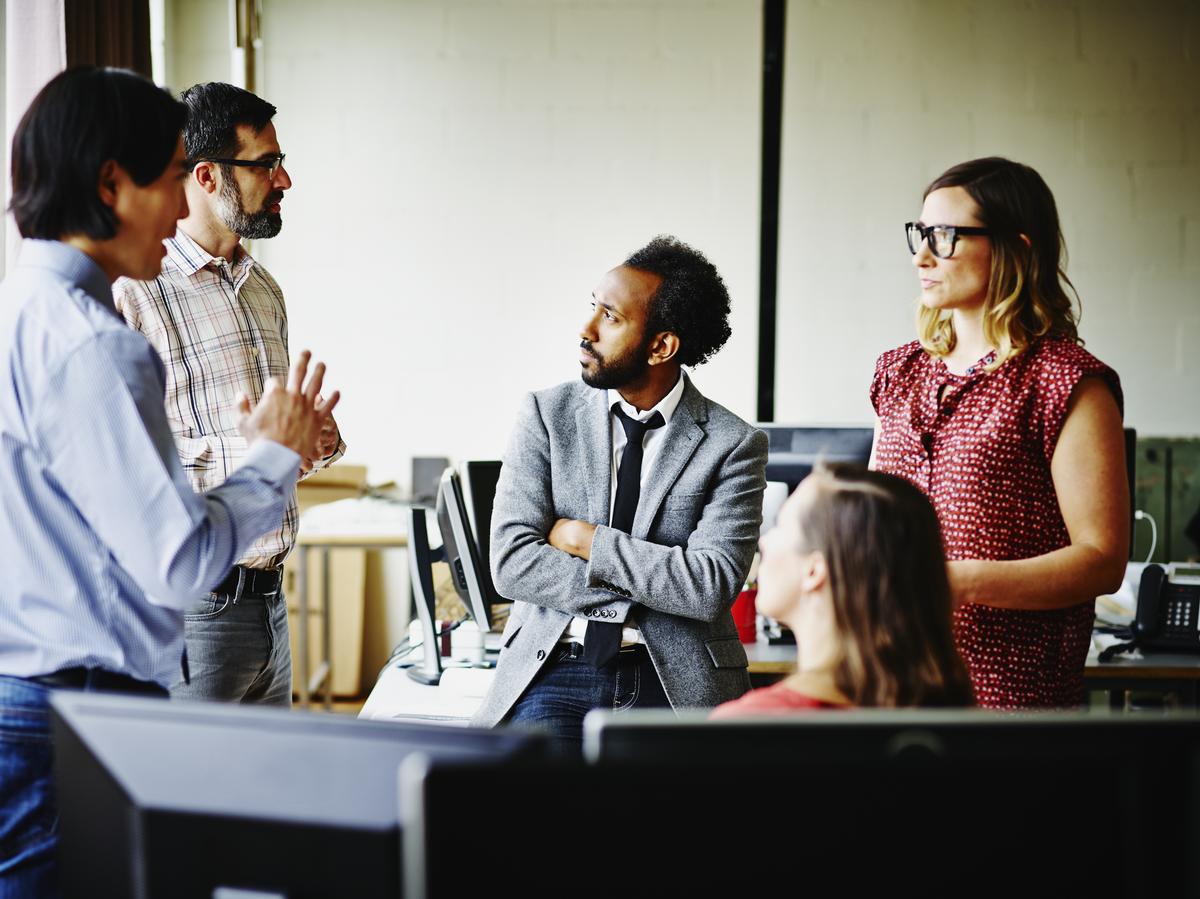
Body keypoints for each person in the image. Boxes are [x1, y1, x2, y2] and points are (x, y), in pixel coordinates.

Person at [0, 67, 338, 893]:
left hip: (52, 691)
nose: (179, 202)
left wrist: (294, 443)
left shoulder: (21, 307)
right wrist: (268, 457)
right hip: (80, 701)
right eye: (168, 179)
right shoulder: (96, 338)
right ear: (113, 183)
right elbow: (176, 559)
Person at [471, 236, 768, 748]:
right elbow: (512, 562)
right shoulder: (546, 415)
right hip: (555, 668)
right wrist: (661, 583)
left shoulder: (734, 444)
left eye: (610, 317)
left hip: (674, 679)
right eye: (594, 307)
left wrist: (585, 540)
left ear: (661, 346)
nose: (586, 331)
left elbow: (709, 586)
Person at [113, 82, 344, 705]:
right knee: (186, 800)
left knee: (263, 800)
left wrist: (310, 442)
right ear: (209, 175)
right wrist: (265, 451)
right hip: (192, 607)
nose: (285, 179)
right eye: (267, 163)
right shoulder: (135, 291)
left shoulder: (264, 289)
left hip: (270, 601)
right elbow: (130, 466)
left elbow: (278, 449)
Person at [870, 157, 1128, 709]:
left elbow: (1103, 558)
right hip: (887, 685)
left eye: (945, 236)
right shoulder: (898, 372)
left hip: (1009, 702)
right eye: (920, 233)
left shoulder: (1065, 381)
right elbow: (872, 518)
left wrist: (957, 582)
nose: (921, 256)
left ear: (1017, 246)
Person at [711, 465, 973, 718]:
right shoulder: (954, 718)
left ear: (814, 571)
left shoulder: (744, 726)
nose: (764, 541)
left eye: (780, 525)